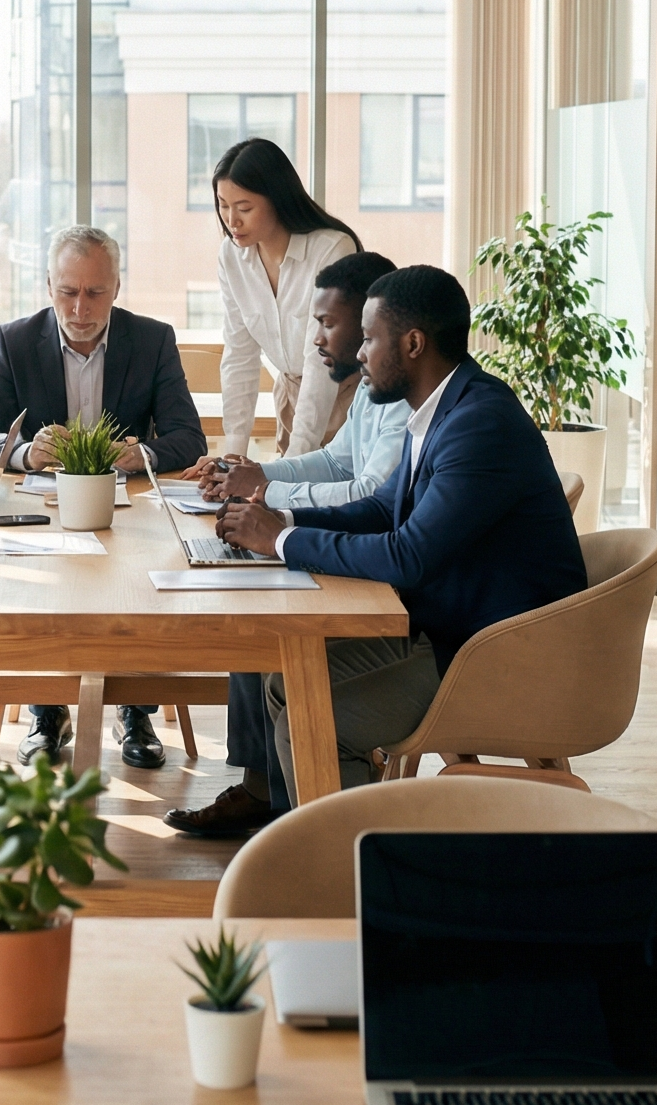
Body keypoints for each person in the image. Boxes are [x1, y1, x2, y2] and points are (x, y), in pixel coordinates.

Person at [210, 265, 584, 799]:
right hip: (453, 629)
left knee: (310, 720)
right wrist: (281, 523)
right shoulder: (440, 408)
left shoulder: (480, 424)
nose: (359, 353)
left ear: (411, 343)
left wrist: (279, 541)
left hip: (498, 659)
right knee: (284, 675)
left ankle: (347, 871)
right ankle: (310, 845)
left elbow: (408, 555)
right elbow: (385, 509)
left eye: (367, 338)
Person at [163, 250, 410, 838]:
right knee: (255, 609)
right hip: (358, 552)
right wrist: (261, 478)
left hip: (382, 583)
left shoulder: (409, 402)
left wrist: (275, 507)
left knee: (267, 620)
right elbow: (336, 460)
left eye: (328, 323)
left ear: (375, 324)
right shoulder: (372, 393)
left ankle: (288, 811)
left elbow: (373, 492)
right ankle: (265, 790)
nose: (316, 338)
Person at [0, 224, 206, 769]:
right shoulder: (15, 340)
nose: (80, 307)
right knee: (44, 590)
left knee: (144, 585)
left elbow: (189, 437)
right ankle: (46, 712)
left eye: (95, 292)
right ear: (48, 286)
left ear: (116, 288)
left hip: (128, 512)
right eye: (68, 292)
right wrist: (26, 450)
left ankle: (135, 712)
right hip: (43, 510)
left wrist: (140, 452)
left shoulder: (152, 339)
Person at [206, 138, 363, 463]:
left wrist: (293, 463)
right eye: (223, 204)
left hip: (344, 392)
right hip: (292, 394)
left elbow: (319, 360)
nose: (231, 220)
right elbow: (239, 354)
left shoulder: (331, 249)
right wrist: (233, 452)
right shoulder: (231, 256)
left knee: (338, 500)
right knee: (282, 507)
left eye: (244, 208)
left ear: (277, 199)